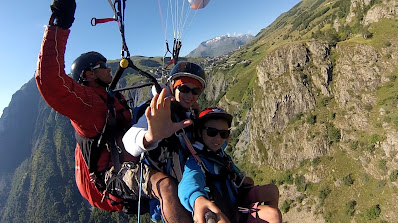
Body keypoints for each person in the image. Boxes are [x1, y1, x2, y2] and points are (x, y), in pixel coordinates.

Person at [35, 0, 192, 221]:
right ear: (89, 74)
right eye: (102, 66)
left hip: (124, 155)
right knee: (166, 185)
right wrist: (60, 20)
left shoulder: (108, 97)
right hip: (110, 175)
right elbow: (49, 82)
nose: (109, 69)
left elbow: (127, 121)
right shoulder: (85, 104)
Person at [122, 61, 208, 220]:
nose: (190, 95)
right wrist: (150, 137)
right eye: (184, 89)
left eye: (195, 91)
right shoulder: (158, 108)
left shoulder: (188, 113)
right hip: (159, 175)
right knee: (168, 187)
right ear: (173, 87)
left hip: (184, 173)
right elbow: (128, 141)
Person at [178, 107, 282, 223]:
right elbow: (188, 183)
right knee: (273, 215)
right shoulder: (196, 161)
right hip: (222, 211)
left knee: (271, 191)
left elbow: (220, 140)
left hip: (236, 200)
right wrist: (197, 200)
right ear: (199, 132)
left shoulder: (217, 151)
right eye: (211, 132)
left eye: (223, 134)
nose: (218, 138)